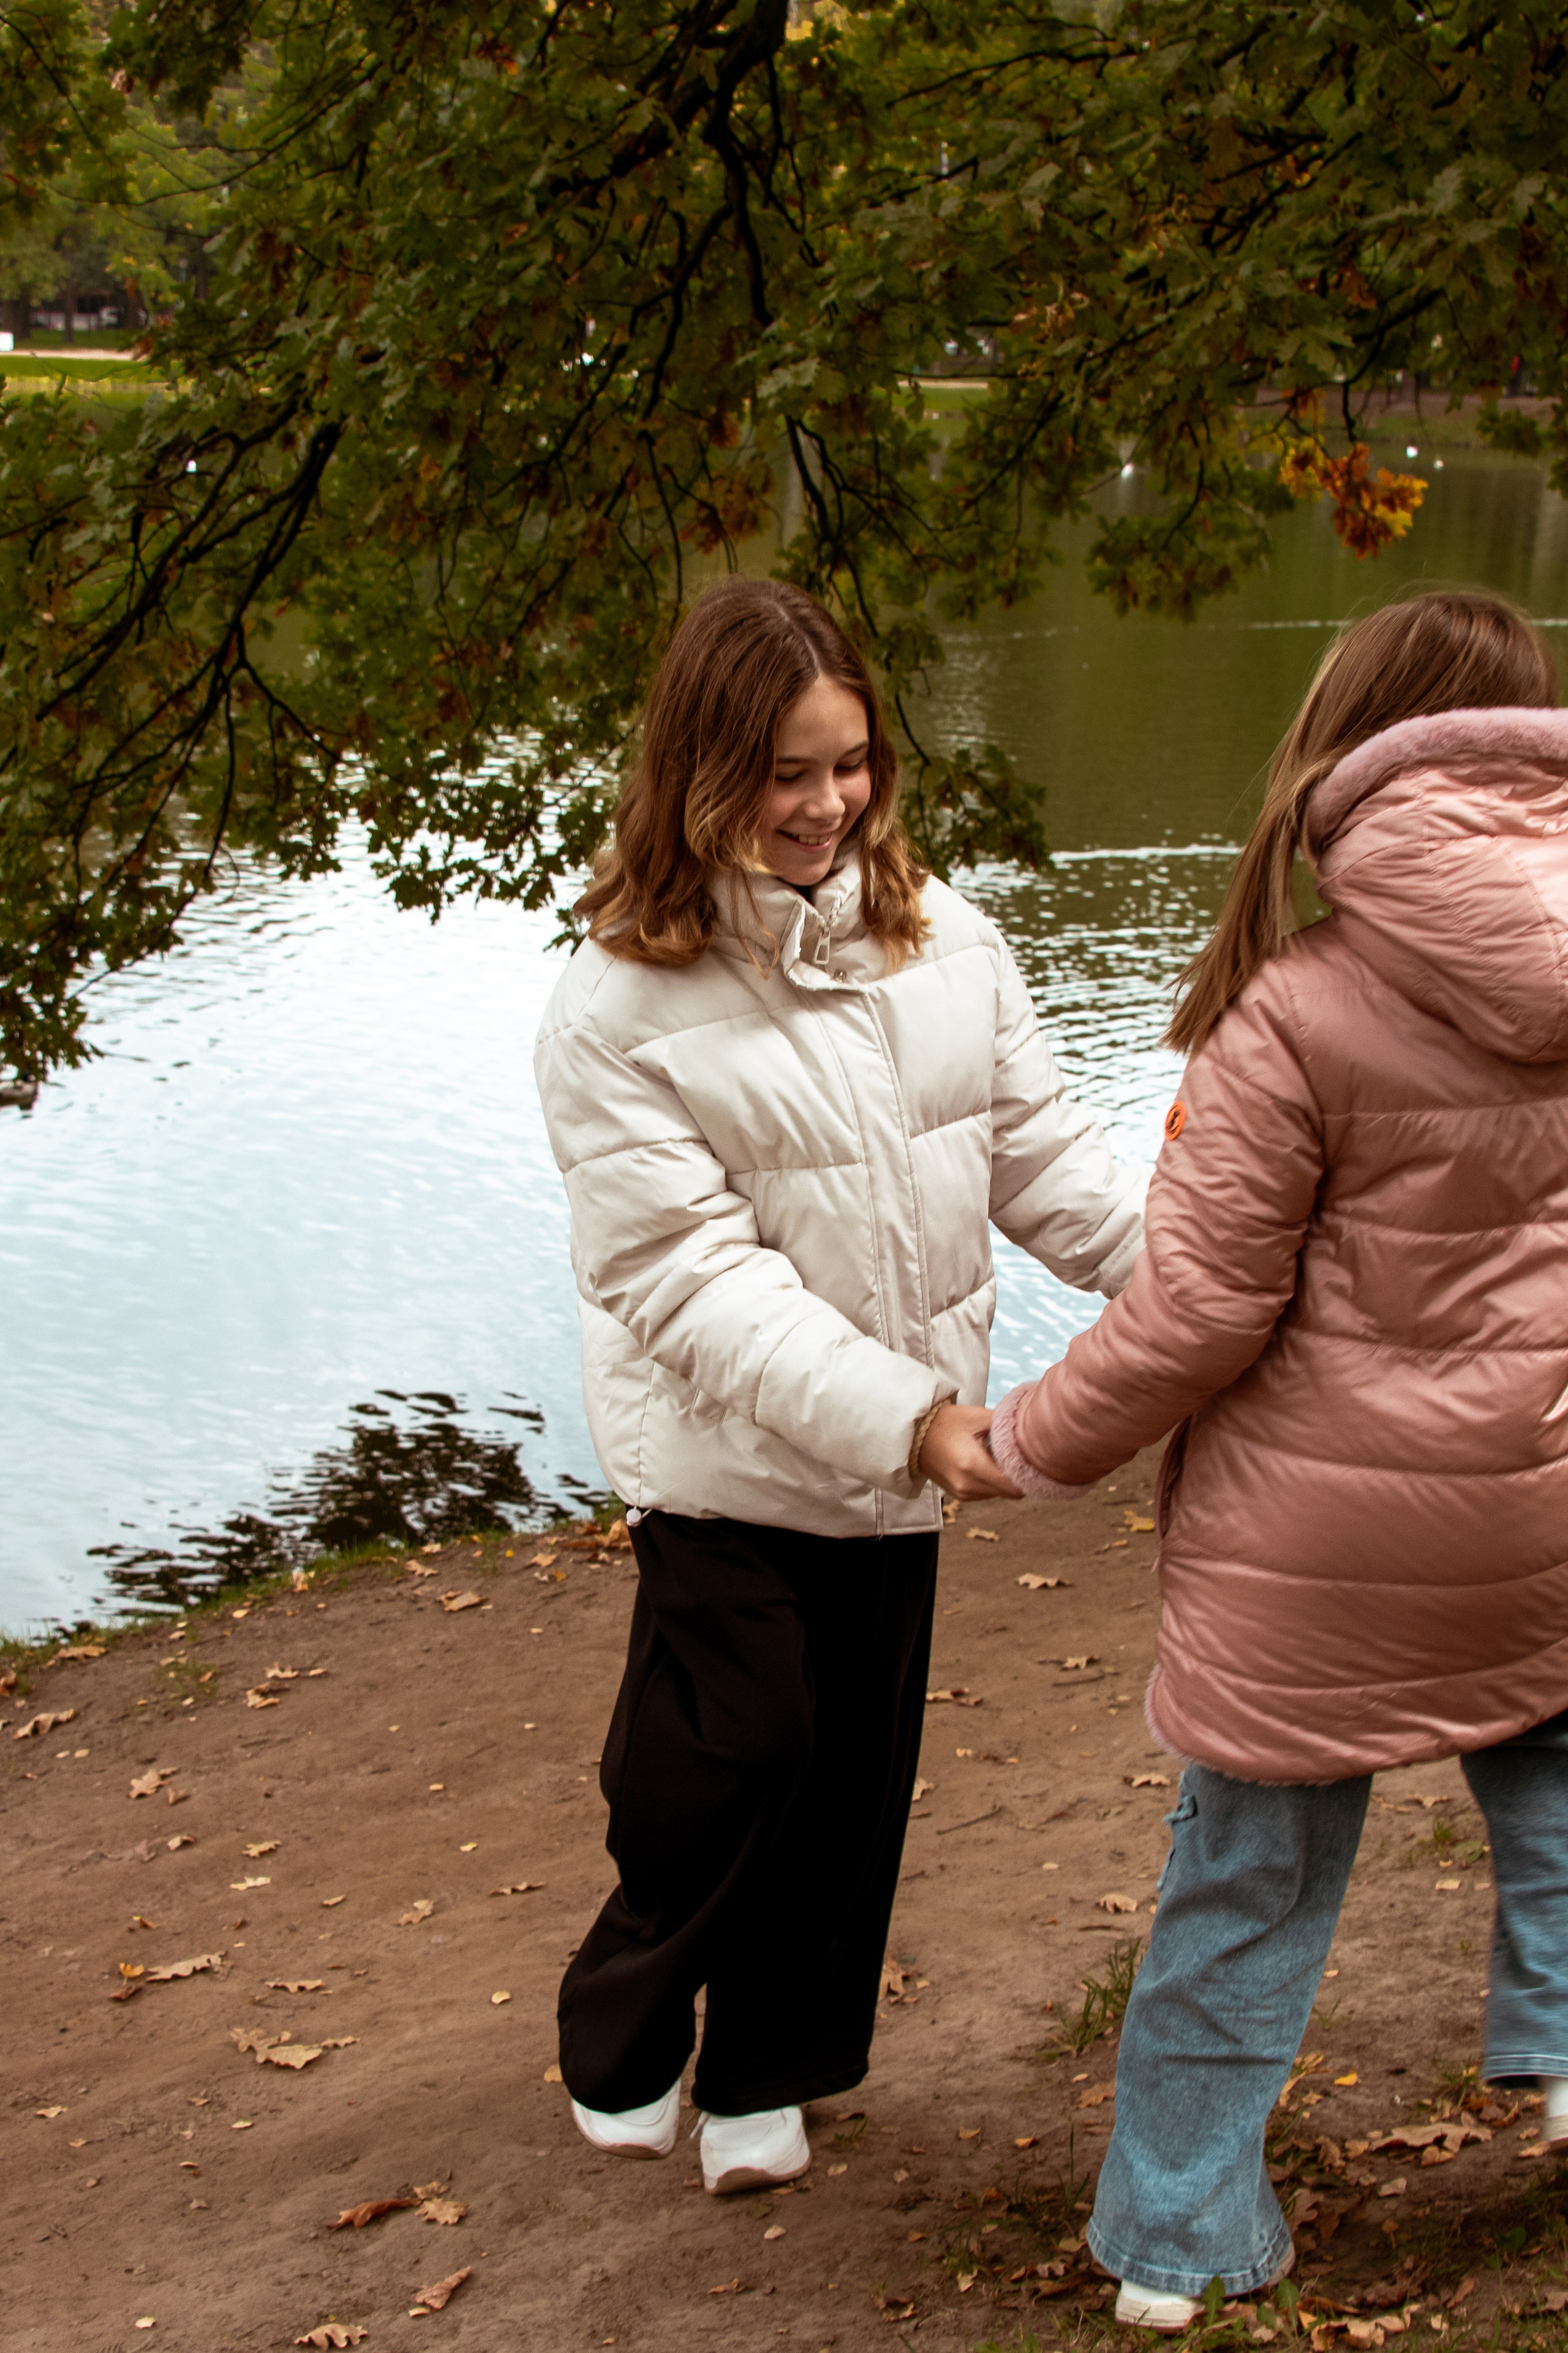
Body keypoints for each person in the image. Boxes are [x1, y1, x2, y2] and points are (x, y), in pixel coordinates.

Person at [988, 589, 1568, 2327]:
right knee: (1558, 1787)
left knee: (1248, 1874)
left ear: (1343, 757)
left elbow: (1191, 1322)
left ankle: (1179, 2240)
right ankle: (1561, 2053)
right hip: (1540, 1507)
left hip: (1316, 1558)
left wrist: (1027, 1441)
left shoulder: (1295, 1010)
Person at [534, 576, 1144, 2196]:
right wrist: (910, 1418)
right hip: (730, 1455)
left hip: (898, 1460)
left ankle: (766, 2072)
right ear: (699, 773)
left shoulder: (951, 942)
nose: (825, 807)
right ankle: (629, 2012)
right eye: (786, 773)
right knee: (734, 1746)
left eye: (849, 763)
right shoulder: (614, 1008)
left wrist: (1196, 1280)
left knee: (852, 1778)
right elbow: (686, 1277)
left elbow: (1050, 1162)